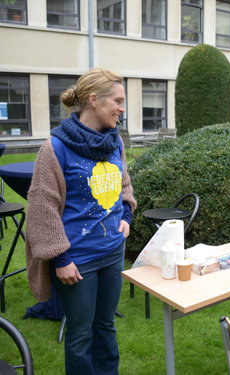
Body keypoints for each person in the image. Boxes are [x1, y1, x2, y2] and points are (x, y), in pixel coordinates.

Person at [26, 68, 136, 375]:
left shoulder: (115, 142)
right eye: (117, 100)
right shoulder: (55, 148)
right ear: (93, 100)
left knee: (106, 326)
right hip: (77, 261)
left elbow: (123, 183)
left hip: (113, 251)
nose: (122, 108)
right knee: (81, 335)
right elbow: (40, 209)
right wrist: (60, 258)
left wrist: (126, 214)